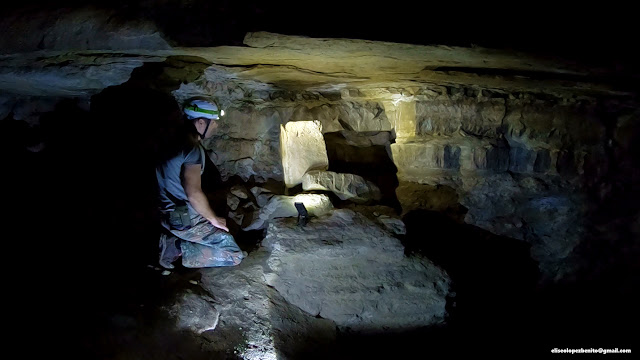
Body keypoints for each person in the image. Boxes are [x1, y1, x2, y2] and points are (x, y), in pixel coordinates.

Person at [156, 98, 244, 269]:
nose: (216, 126)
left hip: (165, 212)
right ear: (201, 122)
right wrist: (213, 219)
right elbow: (193, 192)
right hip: (183, 219)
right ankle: (176, 247)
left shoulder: (170, 141)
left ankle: (175, 238)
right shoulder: (192, 149)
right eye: (214, 122)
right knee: (234, 254)